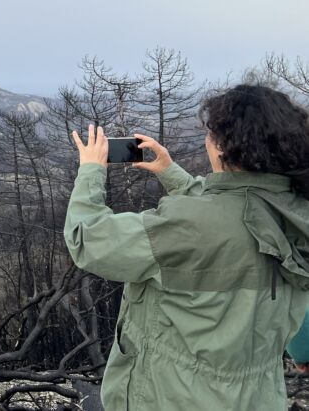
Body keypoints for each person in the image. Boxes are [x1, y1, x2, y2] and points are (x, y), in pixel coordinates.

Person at [64, 84, 309, 410]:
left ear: (222, 147)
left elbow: (87, 238)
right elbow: (239, 214)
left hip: (175, 397)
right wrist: (172, 175)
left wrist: (91, 171)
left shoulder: (187, 226)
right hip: (259, 397)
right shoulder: (294, 214)